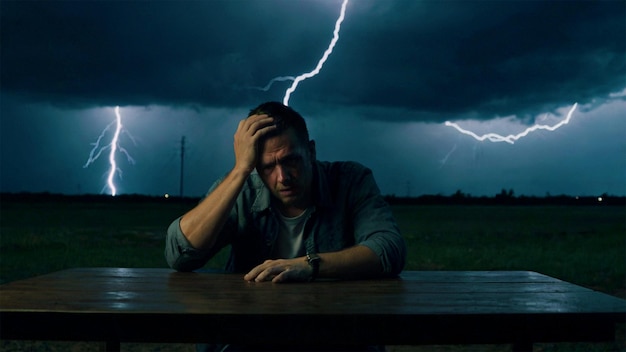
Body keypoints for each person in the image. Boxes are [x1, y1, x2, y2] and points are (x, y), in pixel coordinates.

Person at [165, 101, 406, 351]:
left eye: (291, 160)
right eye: (267, 166)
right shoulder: (242, 189)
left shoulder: (351, 181)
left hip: (332, 332)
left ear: (311, 151)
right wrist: (240, 170)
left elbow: (388, 249)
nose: (283, 177)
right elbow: (179, 255)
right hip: (253, 334)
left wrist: (309, 265)